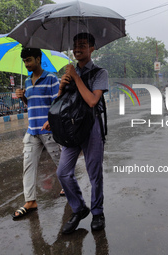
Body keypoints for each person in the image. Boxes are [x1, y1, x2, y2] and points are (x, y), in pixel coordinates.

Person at [55, 33, 109, 234]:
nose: (78, 49)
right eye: (75, 45)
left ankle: (97, 212)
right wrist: (62, 86)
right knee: (63, 172)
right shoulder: (69, 73)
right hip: (72, 128)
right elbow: (63, 103)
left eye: (83, 45)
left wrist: (76, 78)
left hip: (92, 126)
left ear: (92, 48)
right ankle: (79, 208)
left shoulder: (99, 73)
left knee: (94, 173)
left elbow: (92, 101)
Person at [12, 48, 63, 219]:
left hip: (49, 130)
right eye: (24, 61)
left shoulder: (50, 78)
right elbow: (31, 104)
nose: (26, 64)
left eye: (29, 60)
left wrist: (51, 120)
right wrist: (22, 97)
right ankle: (30, 201)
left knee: (61, 162)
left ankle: (70, 188)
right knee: (28, 166)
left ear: (38, 59)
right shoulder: (26, 82)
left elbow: (57, 102)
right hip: (32, 130)